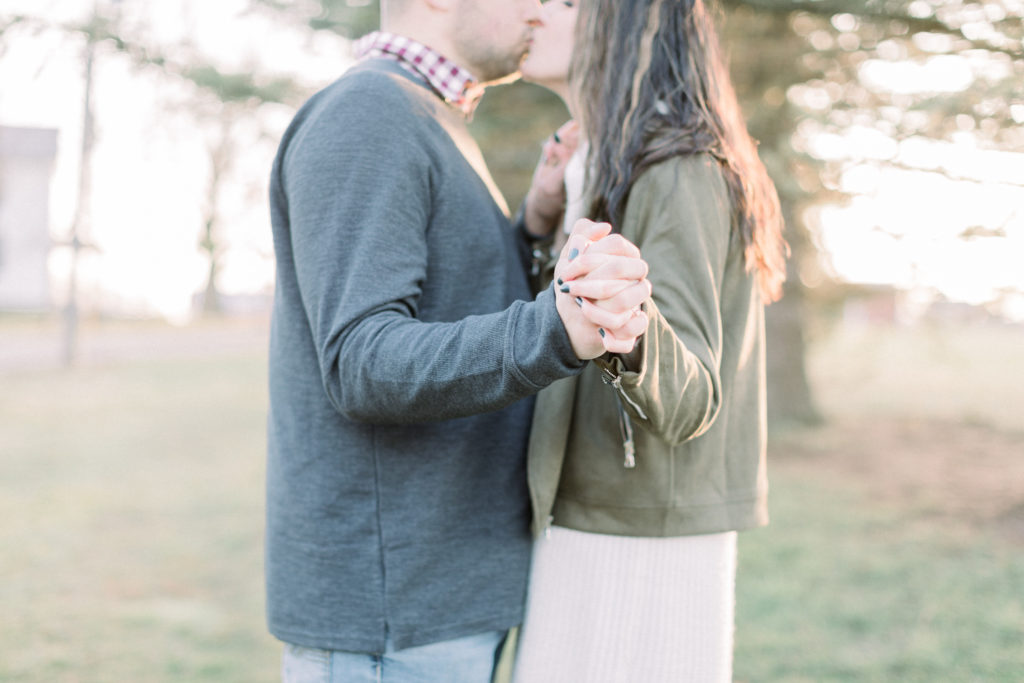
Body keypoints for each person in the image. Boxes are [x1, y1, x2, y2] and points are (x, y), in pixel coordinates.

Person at [265, 0, 652, 680]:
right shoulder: (369, 116)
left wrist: (531, 228)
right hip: (392, 619)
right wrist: (558, 327)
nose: (541, 6)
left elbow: (444, 297)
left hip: (435, 605)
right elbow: (363, 360)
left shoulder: (428, 116)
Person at [509, 0, 789, 680]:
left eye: (566, 0)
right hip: (598, 519)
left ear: (629, 18)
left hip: (638, 541)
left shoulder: (676, 165)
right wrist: (541, 226)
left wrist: (626, 320)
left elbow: (693, 391)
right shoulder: (608, 160)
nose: (535, 9)